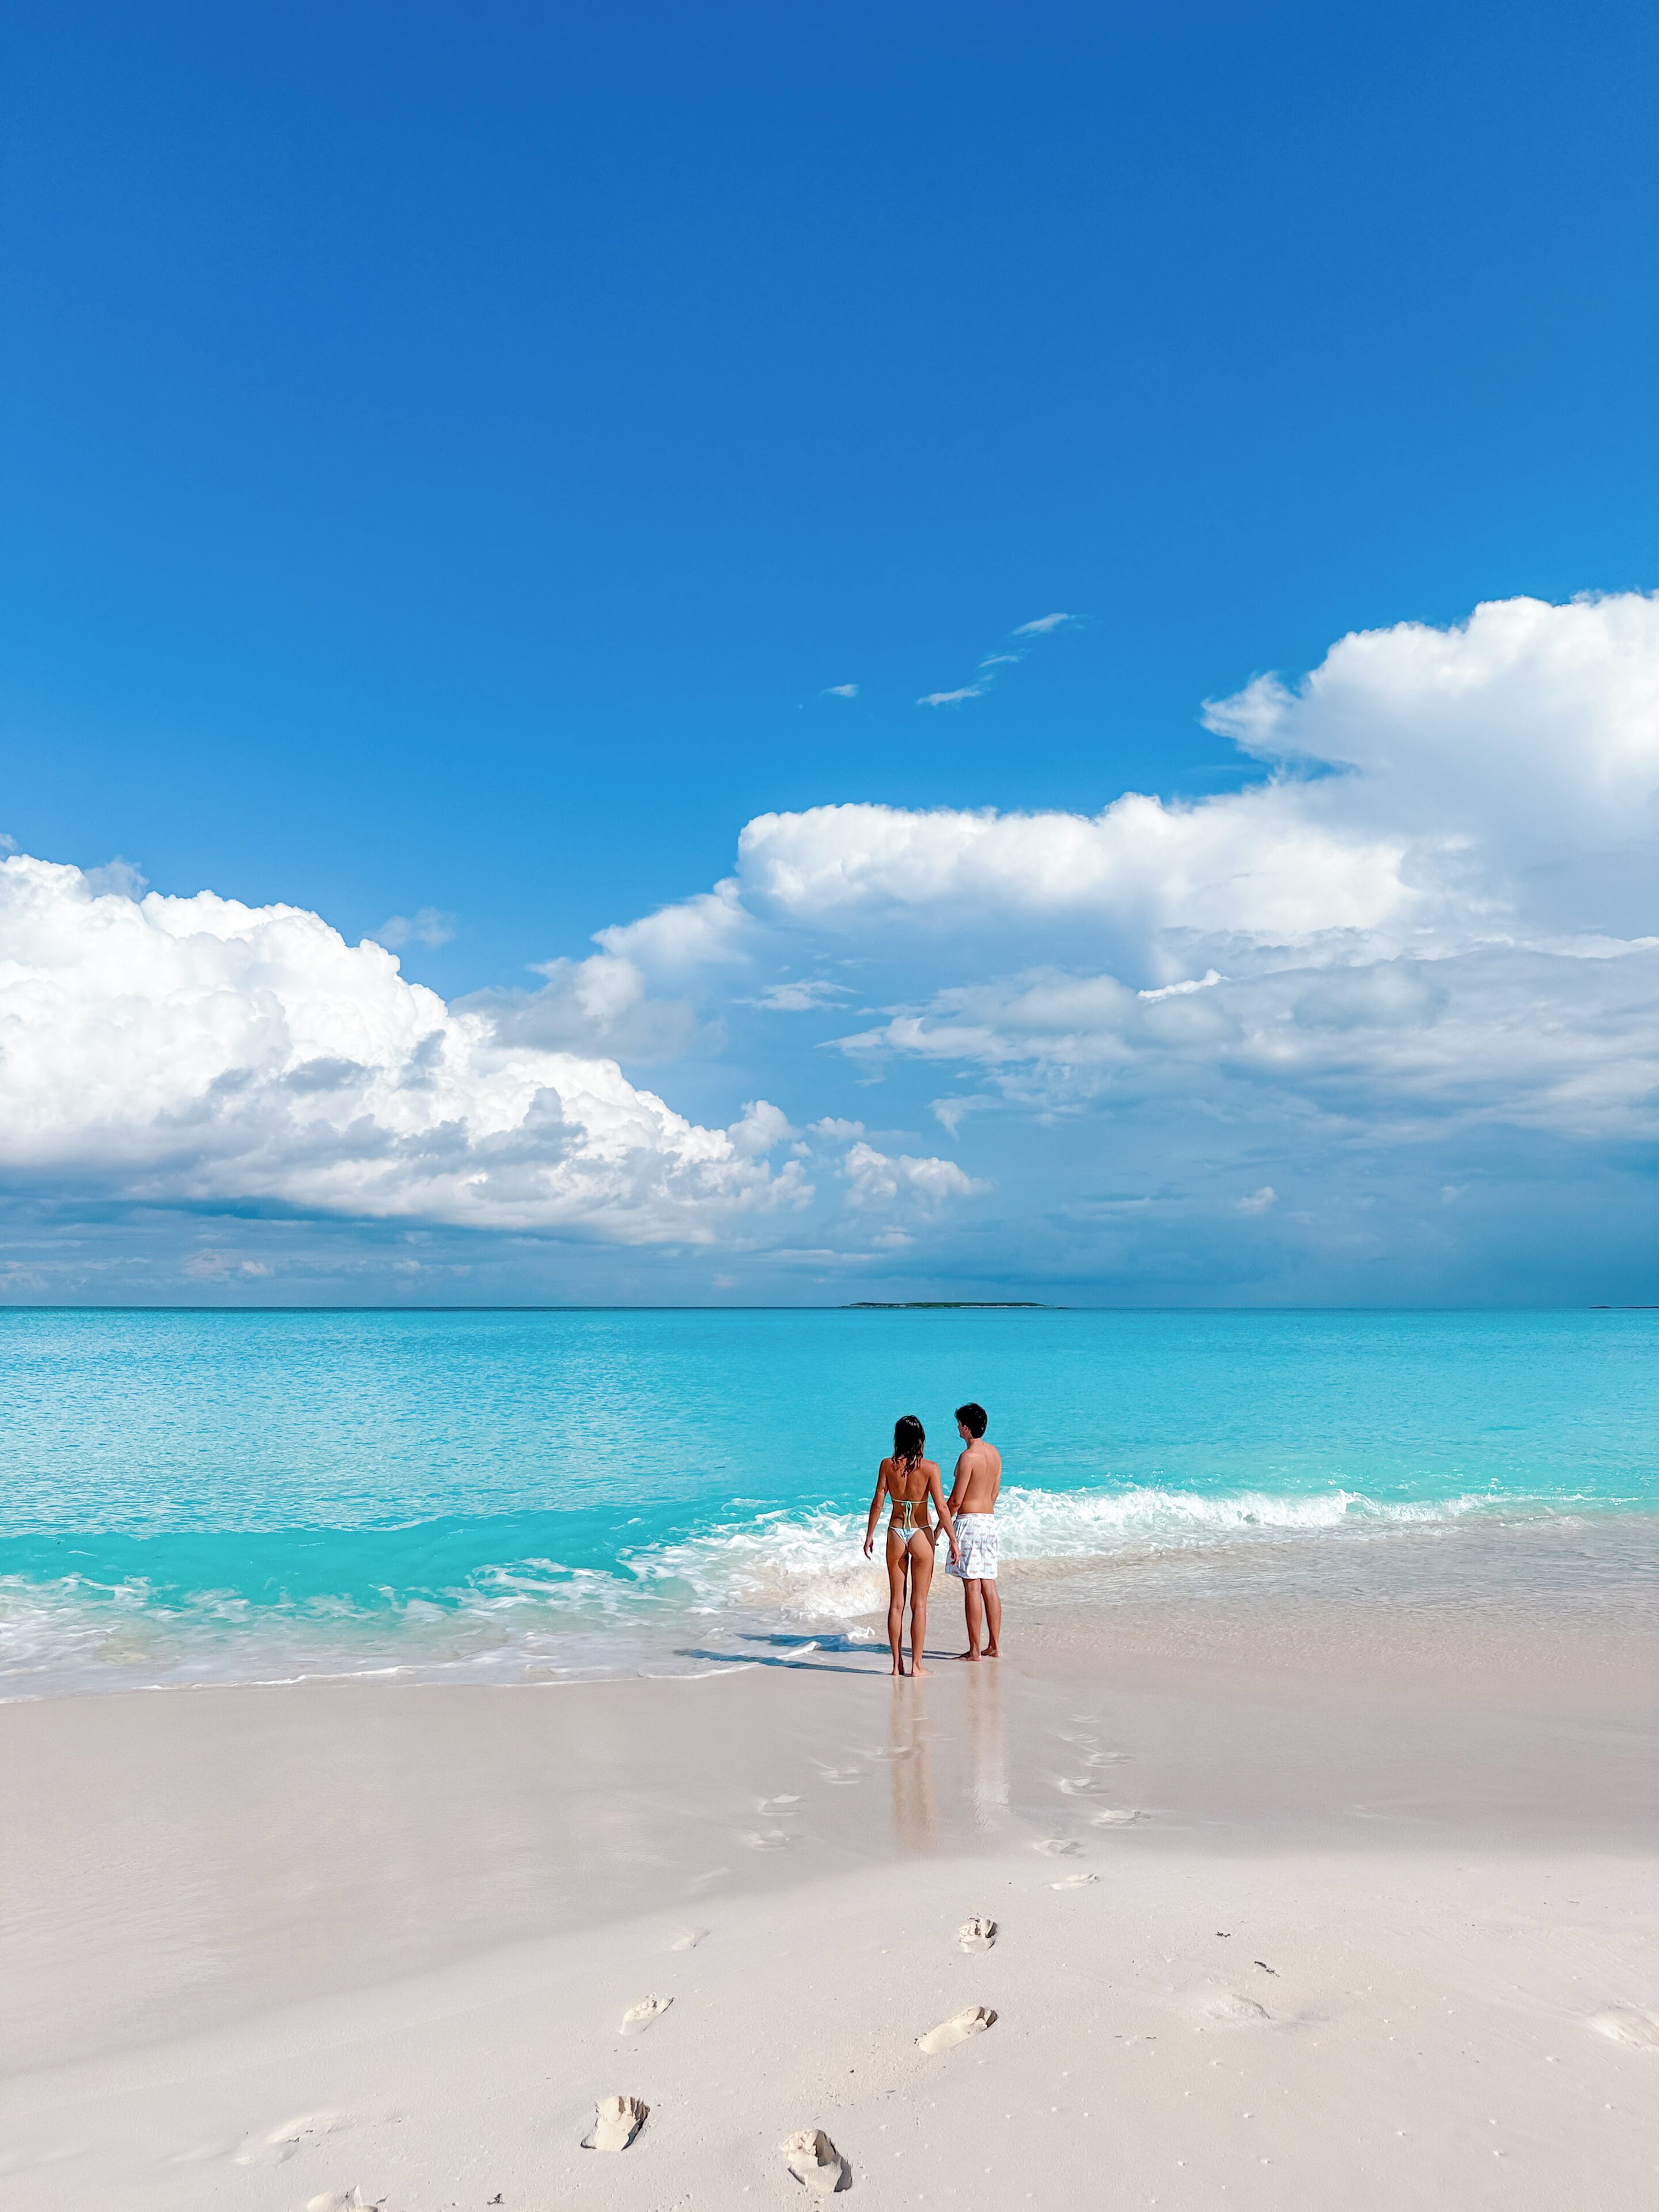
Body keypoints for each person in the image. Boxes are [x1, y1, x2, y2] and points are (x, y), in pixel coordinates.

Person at [862, 1414, 961, 1677]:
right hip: (920, 1533)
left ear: (897, 1438)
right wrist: (952, 1539)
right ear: (921, 1439)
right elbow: (941, 1506)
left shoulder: (887, 1465)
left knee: (897, 1603)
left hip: (896, 1533)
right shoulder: (931, 1468)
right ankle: (917, 1666)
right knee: (919, 1603)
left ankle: (896, 1666)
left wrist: (869, 1535)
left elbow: (878, 1502)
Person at [945, 1401, 1002, 1660]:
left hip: (970, 1522)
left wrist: (939, 1529)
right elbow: (994, 1493)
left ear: (966, 1428)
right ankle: (994, 1646)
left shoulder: (968, 1457)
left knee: (971, 1586)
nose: (957, 1427)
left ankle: (975, 1650)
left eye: (959, 1423)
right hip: (989, 1521)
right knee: (988, 1584)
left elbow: (956, 1500)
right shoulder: (995, 1454)